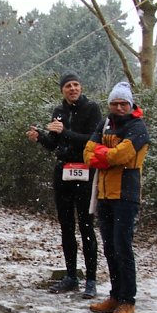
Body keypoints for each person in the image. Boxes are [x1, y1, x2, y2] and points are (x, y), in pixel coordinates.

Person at [26, 72, 102, 298]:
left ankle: (91, 279)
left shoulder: (92, 109)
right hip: (63, 172)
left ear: (81, 87)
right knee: (66, 226)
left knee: (86, 227)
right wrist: (39, 137)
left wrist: (66, 132)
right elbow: (54, 143)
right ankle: (70, 276)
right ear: (62, 90)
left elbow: (93, 140)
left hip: (85, 171)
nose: (73, 89)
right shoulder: (59, 112)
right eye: (68, 86)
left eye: (76, 85)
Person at [83, 82, 150, 313]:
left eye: (123, 103)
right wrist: (105, 155)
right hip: (104, 194)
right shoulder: (105, 123)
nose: (119, 107)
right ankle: (115, 295)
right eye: (115, 103)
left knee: (123, 248)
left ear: (130, 104)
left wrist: (104, 154)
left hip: (126, 195)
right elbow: (87, 153)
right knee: (110, 248)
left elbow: (122, 156)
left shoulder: (138, 127)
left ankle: (128, 300)